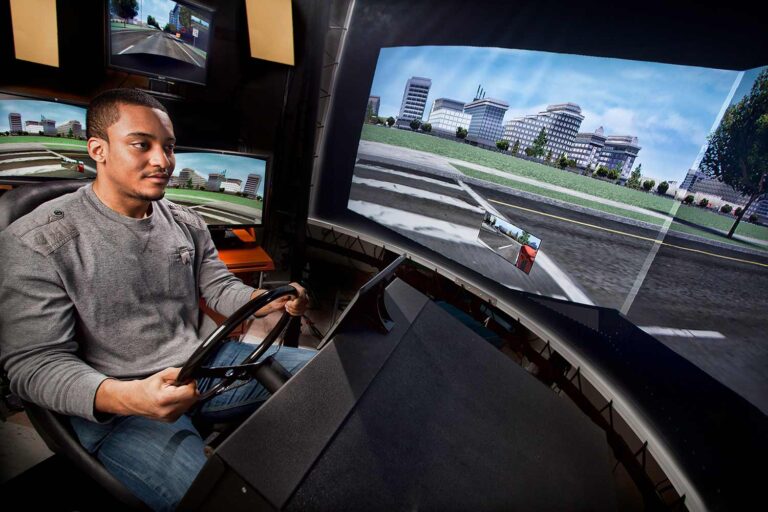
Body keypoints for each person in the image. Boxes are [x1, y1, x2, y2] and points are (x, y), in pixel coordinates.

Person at [0, 88, 315, 510]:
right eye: (141, 145)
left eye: (168, 147)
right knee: (220, 502)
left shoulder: (185, 220)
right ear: (98, 149)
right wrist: (132, 397)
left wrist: (263, 298)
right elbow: (33, 367)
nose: (163, 161)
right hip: (121, 405)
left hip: (202, 368)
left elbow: (218, 286)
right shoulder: (37, 241)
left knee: (324, 378)